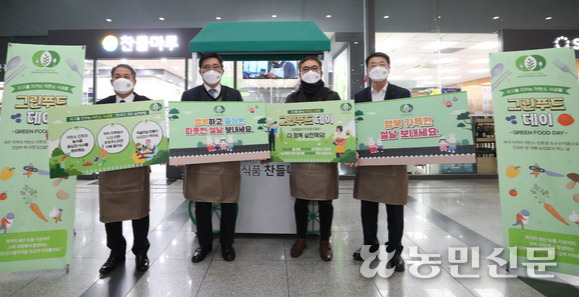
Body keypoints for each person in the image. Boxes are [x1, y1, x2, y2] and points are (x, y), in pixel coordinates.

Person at [349, 52, 410, 272]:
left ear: (389, 68)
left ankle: (395, 251)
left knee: (395, 207)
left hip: (394, 159)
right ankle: (370, 246)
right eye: (372, 64)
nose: (377, 67)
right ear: (367, 70)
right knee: (368, 205)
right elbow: (353, 127)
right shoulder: (359, 96)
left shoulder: (402, 94)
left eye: (381, 64)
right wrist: (351, 150)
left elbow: (409, 125)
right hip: (368, 159)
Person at [181, 52, 243, 263]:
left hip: (228, 158)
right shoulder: (189, 96)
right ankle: (204, 245)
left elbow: (244, 126)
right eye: (207, 67)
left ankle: (227, 244)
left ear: (222, 71)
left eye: (215, 66)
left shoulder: (234, 95)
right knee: (202, 203)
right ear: (200, 72)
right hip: (200, 158)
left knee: (229, 202)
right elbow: (182, 127)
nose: (211, 71)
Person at [97, 64, 151, 274]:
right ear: (111, 82)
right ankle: (116, 252)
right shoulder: (100, 106)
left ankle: (141, 252)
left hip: (137, 167)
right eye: (117, 76)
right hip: (109, 168)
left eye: (126, 76)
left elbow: (155, 134)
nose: (121, 79)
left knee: (139, 211)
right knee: (111, 211)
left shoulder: (147, 104)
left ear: (134, 81)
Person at [286, 56, 340, 261]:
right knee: (301, 199)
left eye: (314, 68)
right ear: (300, 73)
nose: (310, 71)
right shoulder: (292, 98)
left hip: (325, 157)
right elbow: (286, 127)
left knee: (326, 201)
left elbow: (340, 126)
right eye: (306, 68)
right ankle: (301, 238)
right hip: (300, 155)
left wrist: (343, 148)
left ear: (321, 72)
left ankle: (325, 240)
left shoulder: (332, 96)